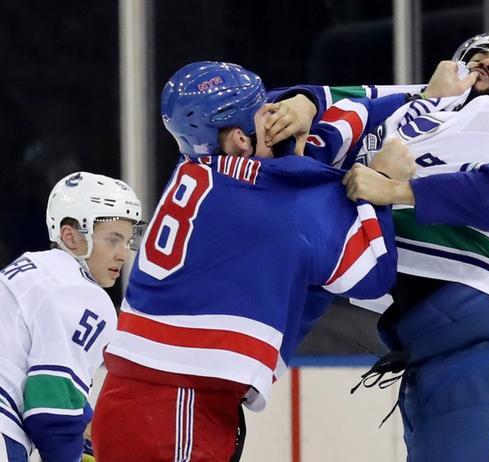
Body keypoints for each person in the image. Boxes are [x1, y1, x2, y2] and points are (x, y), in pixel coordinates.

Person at [92, 61, 416, 462]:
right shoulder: (279, 201)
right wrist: (379, 187)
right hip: (175, 409)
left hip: (152, 399)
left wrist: (309, 102)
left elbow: (318, 143)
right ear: (241, 139)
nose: (276, 112)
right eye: (264, 110)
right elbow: (371, 274)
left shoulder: (199, 166)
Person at [315, 33, 489, 461]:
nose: (486, 63)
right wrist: (302, 103)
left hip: (482, 349)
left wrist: (397, 190)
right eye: (477, 57)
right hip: (425, 358)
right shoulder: (416, 117)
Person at [0, 172, 141, 462]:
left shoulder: (31, 267)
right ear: (70, 236)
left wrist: (85, 426)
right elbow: (52, 412)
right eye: (113, 239)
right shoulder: (82, 292)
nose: (123, 254)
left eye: (127, 241)